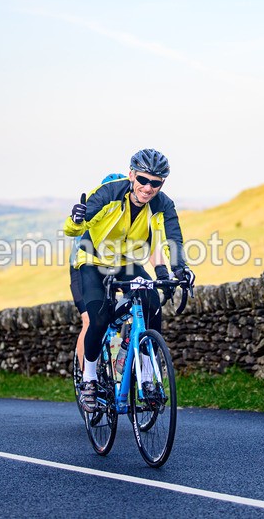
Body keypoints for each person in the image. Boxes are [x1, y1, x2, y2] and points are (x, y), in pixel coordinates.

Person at [64, 149, 195, 412]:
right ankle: (89, 378)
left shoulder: (163, 204)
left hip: (127, 262)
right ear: (132, 175)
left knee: (152, 303)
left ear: (162, 184)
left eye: (155, 183)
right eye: (143, 180)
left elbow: (173, 239)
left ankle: (144, 372)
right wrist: (76, 219)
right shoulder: (110, 193)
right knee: (98, 318)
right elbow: (75, 228)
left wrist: (180, 270)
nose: (148, 188)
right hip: (94, 261)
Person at [70, 173, 127, 371]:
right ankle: (86, 375)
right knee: (89, 320)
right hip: (83, 269)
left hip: (111, 268)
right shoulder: (95, 215)